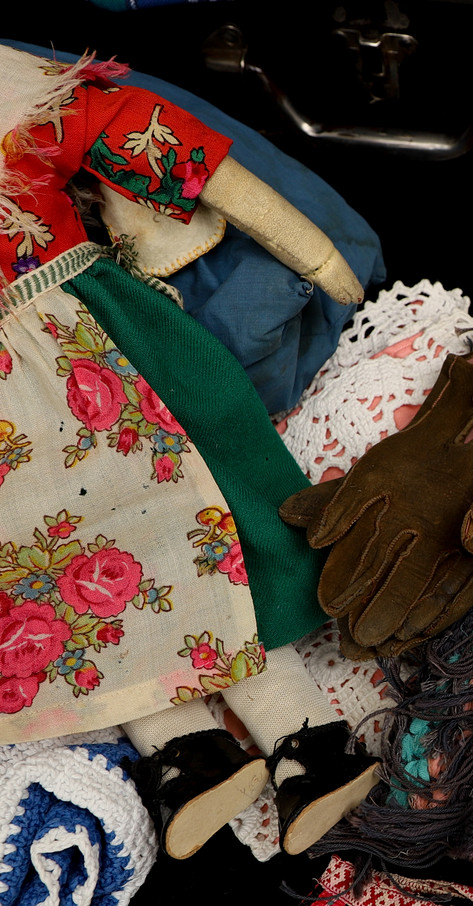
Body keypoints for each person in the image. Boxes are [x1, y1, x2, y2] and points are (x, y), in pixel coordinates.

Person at [0, 44, 376, 859]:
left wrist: (309, 250)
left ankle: (309, 742)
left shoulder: (17, 107)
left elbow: (133, 128)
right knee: (65, 583)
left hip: (95, 339)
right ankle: (189, 757)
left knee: (200, 514)